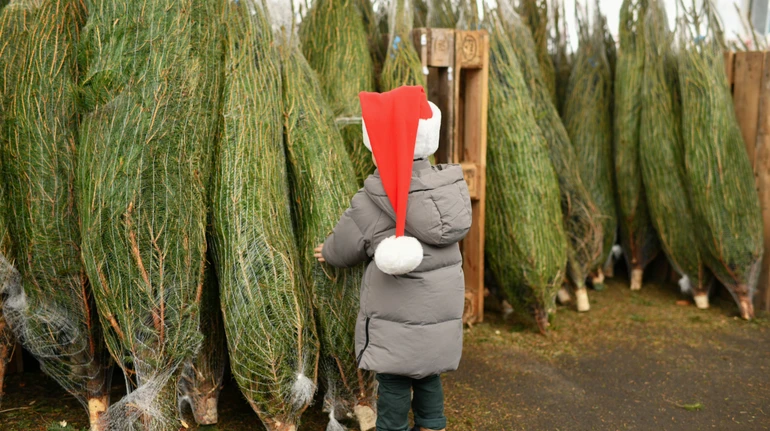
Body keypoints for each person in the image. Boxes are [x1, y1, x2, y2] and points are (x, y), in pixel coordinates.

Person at [314, 85, 472, 431]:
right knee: (428, 373)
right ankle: (432, 425)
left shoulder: (375, 197)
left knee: (395, 379)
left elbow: (348, 243)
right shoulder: (448, 190)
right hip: (440, 311)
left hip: (399, 314)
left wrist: (328, 251)